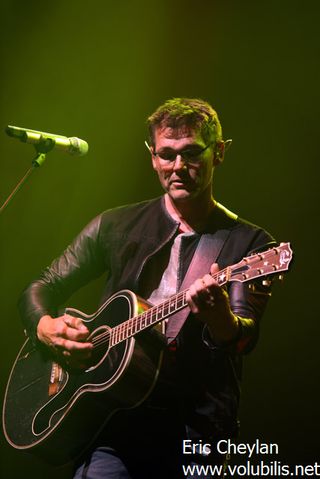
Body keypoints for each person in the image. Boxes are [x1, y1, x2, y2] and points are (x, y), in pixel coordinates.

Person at [19, 98, 275, 478]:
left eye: (191, 154)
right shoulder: (114, 225)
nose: (177, 168)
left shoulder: (249, 244)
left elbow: (243, 339)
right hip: (110, 426)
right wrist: (44, 326)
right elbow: (43, 286)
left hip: (195, 433)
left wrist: (219, 316)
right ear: (151, 156)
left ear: (218, 152)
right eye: (166, 155)